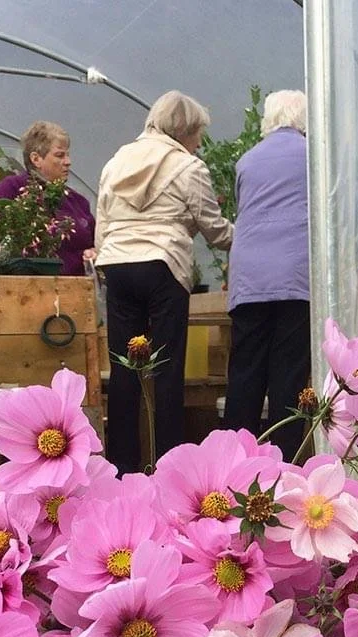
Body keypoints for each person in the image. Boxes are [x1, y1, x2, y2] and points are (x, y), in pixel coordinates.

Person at [95, 90, 233, 472]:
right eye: (198, 134)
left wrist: (108, 264)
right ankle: (169, 466)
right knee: (167, 369)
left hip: (119, 265)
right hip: (163, 265)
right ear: (185, 130)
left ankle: (121, 468)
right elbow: (215, 230)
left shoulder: (116, 161)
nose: (200, 142)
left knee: (125, 369)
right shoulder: (188, 167)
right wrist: (248, 237)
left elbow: (103, 224)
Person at [222, 90, 310, 460]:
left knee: (245, 372)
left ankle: (231, 462)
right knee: (287, 377)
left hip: (250, 278)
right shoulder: (313, 157)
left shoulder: (247, 161)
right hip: (293, 274)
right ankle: (284, 465)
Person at [0, 121, 96, 275]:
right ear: (36, 159)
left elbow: (96, 243)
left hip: (76, 290)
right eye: (60, 155)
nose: (68, 162)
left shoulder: (78, 201)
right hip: (27, 288)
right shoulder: (13, 188)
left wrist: (94, 253)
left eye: (68, 155)